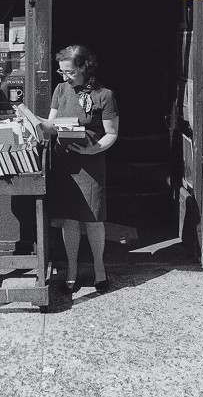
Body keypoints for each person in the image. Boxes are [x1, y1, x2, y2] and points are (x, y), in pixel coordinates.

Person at [41, 44, 119, 294]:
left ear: (85, 68)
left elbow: (112, 133)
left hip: (90, 162)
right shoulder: (61, 89)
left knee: (93, 217)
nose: (65, 77)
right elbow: (51, 124)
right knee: (69, 219)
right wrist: (35, 122)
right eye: (62, 71)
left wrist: (92, 150)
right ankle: (72, 268)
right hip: (65, 162)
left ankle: (99, 269)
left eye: (70, 72)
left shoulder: (104, 95)